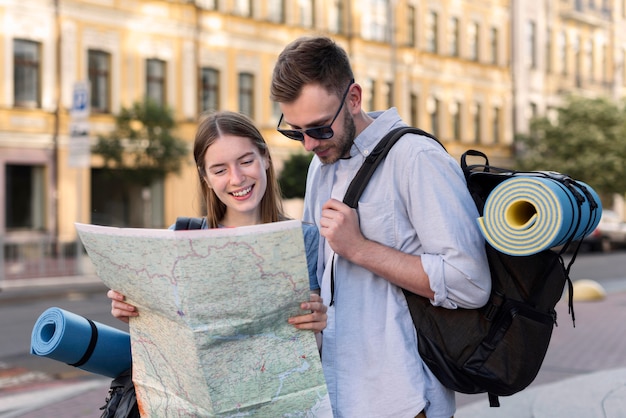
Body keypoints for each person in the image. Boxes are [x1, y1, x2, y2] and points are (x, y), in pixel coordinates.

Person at [270, 36, 491, 418]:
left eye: (320, 128)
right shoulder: (318, 166)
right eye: (295, 131)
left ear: (353, 98)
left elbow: (469, 282)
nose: (307, 144)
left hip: (400, 400)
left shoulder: (416, 158)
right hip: (334, 398)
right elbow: (311, 275)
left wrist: (359, 248)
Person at [108, 110, 327, 337]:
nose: (236, 178)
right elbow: (164, 334)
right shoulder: (180, 238)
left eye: (246, 161)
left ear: (265, 158)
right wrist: (134, 314)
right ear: (206, 178)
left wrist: (318, 327)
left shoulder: (304, 239)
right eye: (220, 170)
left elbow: (310, 352)